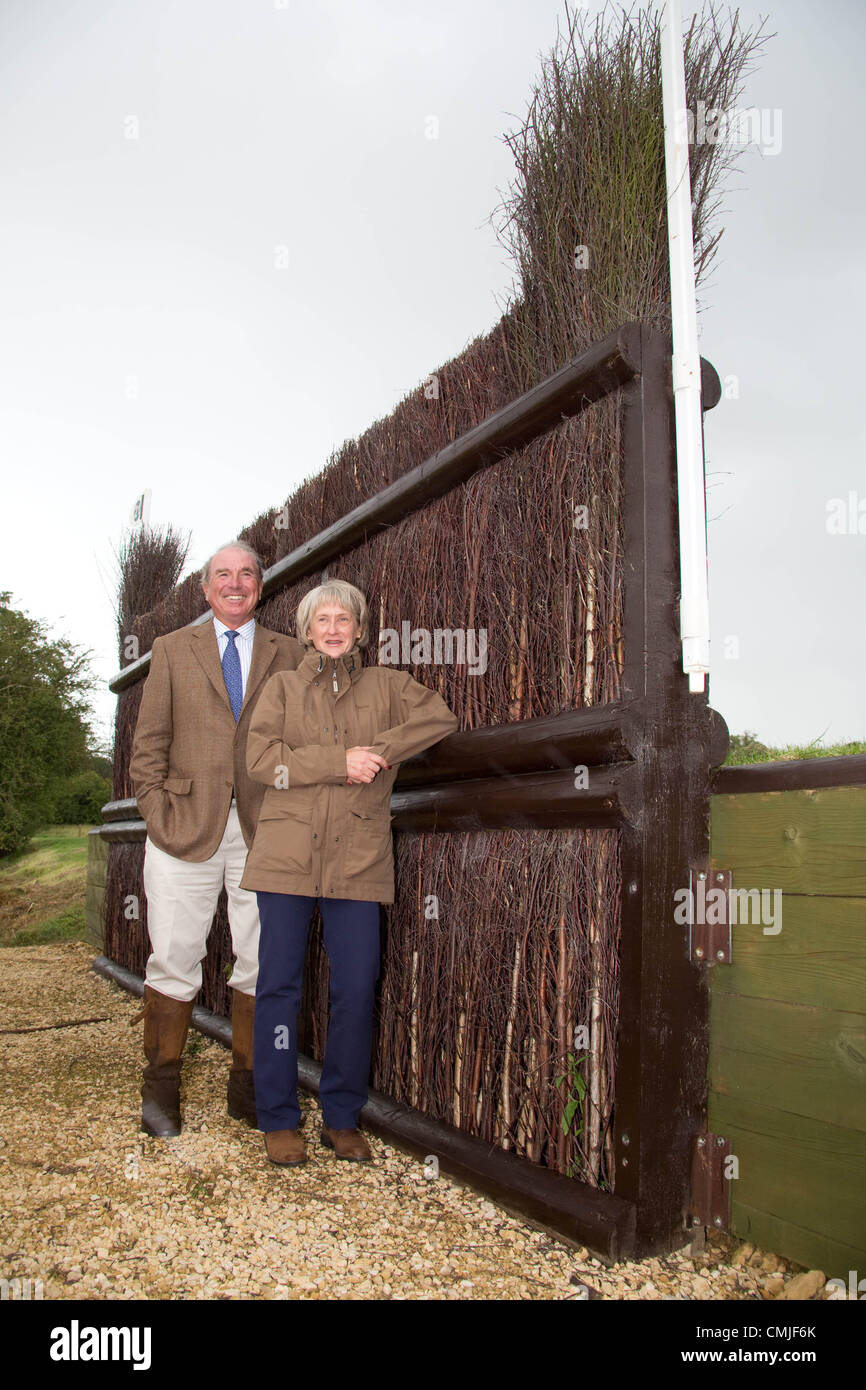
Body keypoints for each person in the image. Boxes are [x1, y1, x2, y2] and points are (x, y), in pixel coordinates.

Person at [240, 579, 459, 1166]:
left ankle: (341, 1115)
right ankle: (278, 1118)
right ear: (308, 631)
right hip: (286, 856)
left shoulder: (388, 686)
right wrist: (338, 763)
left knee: (356, 990)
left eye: (344, 619)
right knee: (279, 988)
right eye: (322, 619)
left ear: (360, 630)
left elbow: (439, 717)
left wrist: (378, 751)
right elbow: (262, 763)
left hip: (359, 857)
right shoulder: (281, 687)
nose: (333, 628)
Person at [129, 541, 303, 1137]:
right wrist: (158, 812)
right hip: (183, 829)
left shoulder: (293, 653)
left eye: (246, 574)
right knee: (174, 957)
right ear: (205, 590)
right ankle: (161, 1091)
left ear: (261, 585)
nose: (235, 584)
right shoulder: (172, 650)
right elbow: (147, 746)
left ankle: (248, 1087)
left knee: (262, 961)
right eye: (222, 576)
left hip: (266, 834)